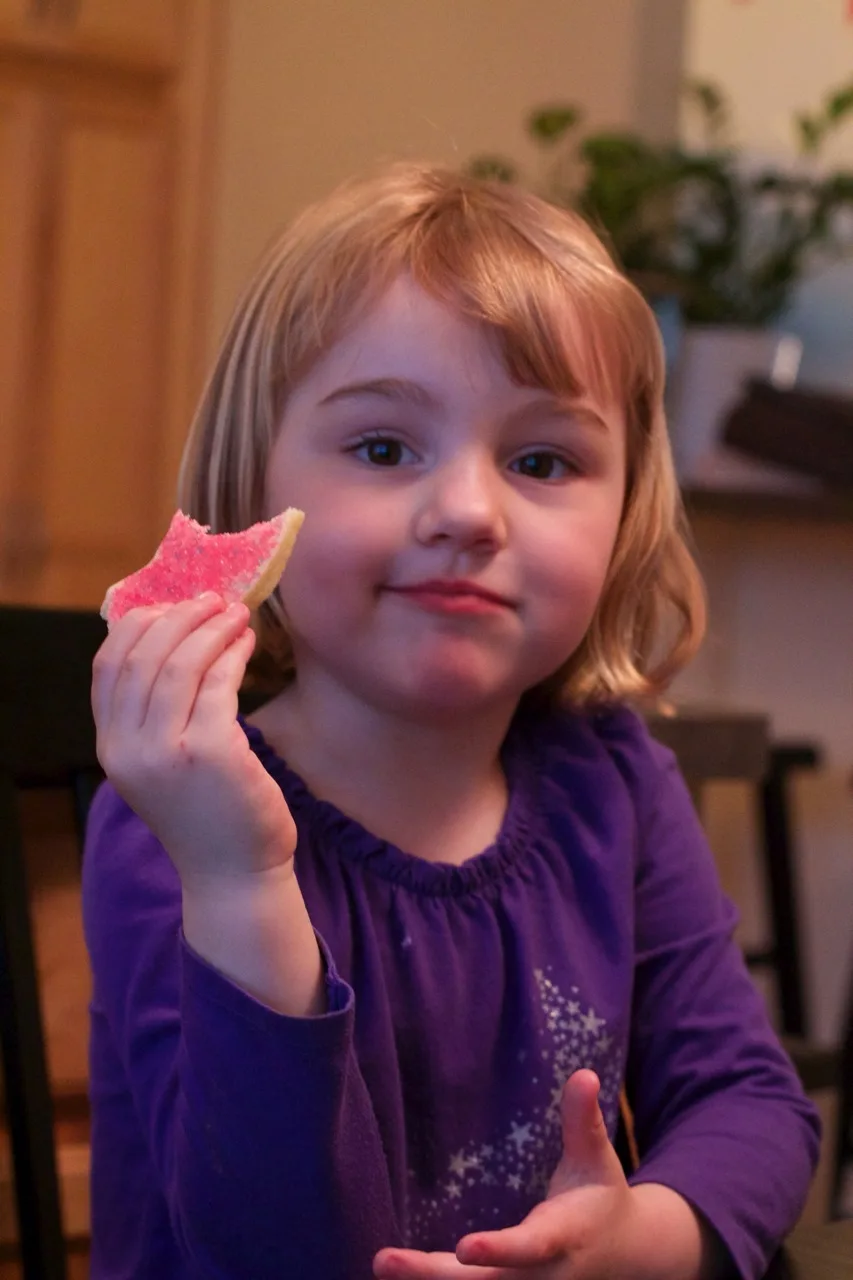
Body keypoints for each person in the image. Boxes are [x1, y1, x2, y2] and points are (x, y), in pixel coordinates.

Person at [83, 163, 820, 1280]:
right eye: (383, 447)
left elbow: (750, 1101)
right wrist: (240, 877)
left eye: (541, 460)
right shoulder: (171, 819)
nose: (468, 512)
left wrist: (645, 1239)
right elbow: (270, 1251)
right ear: (253, 493)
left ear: (622, 521)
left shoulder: (611, 778)